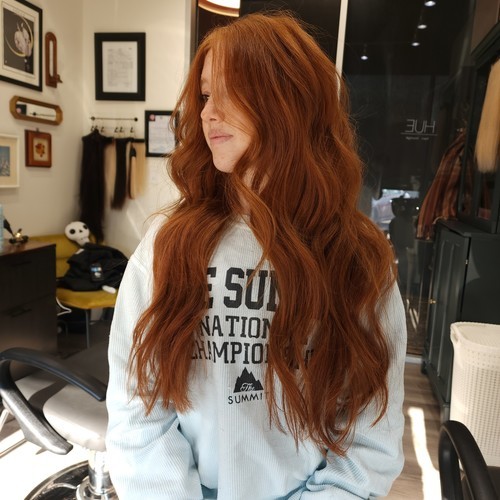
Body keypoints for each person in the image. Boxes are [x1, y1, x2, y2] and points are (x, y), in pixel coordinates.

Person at [106, 11, 407, 500]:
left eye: (228, 93)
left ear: (288, 100)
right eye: (205, 95)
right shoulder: (167, 244)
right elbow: (137, 409)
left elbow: (370, 438)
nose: (207, 114)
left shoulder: (357, 260)